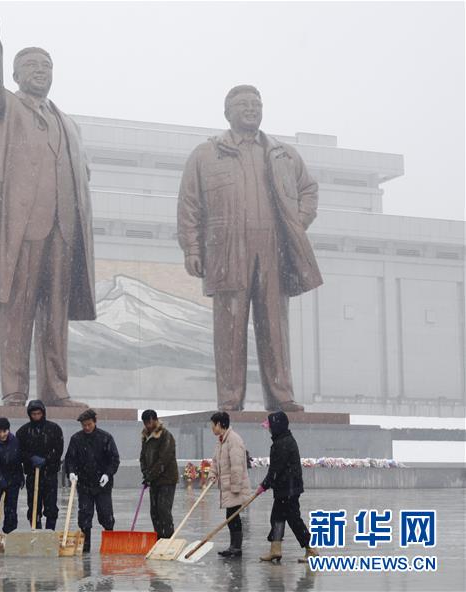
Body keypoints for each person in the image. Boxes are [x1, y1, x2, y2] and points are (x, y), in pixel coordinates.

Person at [0, 6, 96, 408]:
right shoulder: (5, 110)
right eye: (31, 65)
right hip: (23, 228)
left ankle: (56, 390)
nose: (40, 70)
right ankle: (14, 391)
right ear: (16, 74)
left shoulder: (69, 124)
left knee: (55, 317)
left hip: (63, 230)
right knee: (18, 311)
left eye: (46, 65)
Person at [177, 84, 322, 413]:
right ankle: (230, 400)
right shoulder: (206, 154)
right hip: (227, 250)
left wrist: (297, 223)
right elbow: (189, 205)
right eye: (243, 103)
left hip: (274, 249)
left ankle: (281, 395)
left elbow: (309, 189)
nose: (251, 108)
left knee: (275, 325)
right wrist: (192, 248)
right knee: (229, 329)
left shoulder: (282, 154)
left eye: (257, 103)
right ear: (227, 112)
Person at [256, 411, 320, 563]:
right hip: (285, 489)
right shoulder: (283, 440)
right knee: (277, 518)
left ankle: (310, 548)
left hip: (289, 489)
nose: (269, 429)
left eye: (270, 426)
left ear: (277, 426)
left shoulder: (282, 443)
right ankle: (275, 550)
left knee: (293, 519)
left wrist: (264, 485)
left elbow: (276, 470)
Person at [64, 409, 120, 553]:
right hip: (84, 484)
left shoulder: (106, 438)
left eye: (89, 424)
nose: (86, 428)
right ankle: (86, 544)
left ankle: (110, 541)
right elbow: (70, 459)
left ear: (95, 422)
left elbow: (114, 459)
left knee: (106, 514)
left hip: (102, 485)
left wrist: (107, 474)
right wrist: (71, 472)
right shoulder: (76, 439)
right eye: (84, 425)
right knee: (85, 515)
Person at [208, 411, 251, 558]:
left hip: (234, 487)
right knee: (232, 517)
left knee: (233, 517)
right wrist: (212, 474)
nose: (212, 428)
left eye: (213, 425)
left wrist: (236, 487)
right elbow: (216, 461)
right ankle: (234, 546)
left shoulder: (234, 440)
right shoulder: (221, 440)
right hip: (228, 486)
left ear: (220, 424)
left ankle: (236, 547)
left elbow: (237, 466)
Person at [16, 400, 64, 530]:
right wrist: (30, 458)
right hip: (32, 474)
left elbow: (58, 450)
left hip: (50, 474)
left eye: (38, 413)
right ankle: (35, 530)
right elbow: (19, 452)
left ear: (43, 413)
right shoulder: (23, 431)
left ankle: (49, 532)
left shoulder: (54, 429)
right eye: (33, 414)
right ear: (29, 415)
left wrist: (47, 460)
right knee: (34, 507)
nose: (36, 416)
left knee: (51, 507)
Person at [139, 409, 178, 539]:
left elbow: (164, 460)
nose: (148, 425)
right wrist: (145, 473)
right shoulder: (145, 437)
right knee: (154, 511)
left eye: (150, 422)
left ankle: (168, 537)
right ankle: (159, 536)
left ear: (155, 420)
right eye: (146, 423)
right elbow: (143, 458)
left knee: (163, 510)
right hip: (153, 480)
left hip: (167, 479)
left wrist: (151, 475)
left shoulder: (166, 436)